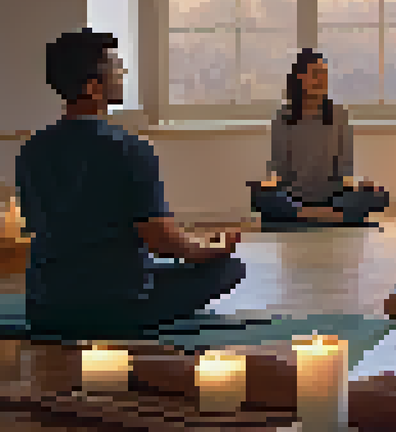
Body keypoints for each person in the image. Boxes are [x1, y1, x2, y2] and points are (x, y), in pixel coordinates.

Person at [17, 29, 245, 339]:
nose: (122, 74)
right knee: (230, 268)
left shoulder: (31, 150)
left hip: (44, 308)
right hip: (118, 306)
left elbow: (36, 226)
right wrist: (209, 249)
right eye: (116, 67)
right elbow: (160, 240)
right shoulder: (130, 148)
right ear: (92, 87)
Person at [250, 50, 390, 225]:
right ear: (300, 77)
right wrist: (268, 186)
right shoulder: (283, 117)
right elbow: (280, 170)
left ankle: (307, 216)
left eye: (324, 75)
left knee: (379, 196)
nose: (321, 80)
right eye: (316, 74)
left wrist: (360, 186)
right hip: (295, 198)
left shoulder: (339, 115)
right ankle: (330, 216)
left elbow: (345, 169)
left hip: (332, 198)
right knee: (260, 197)